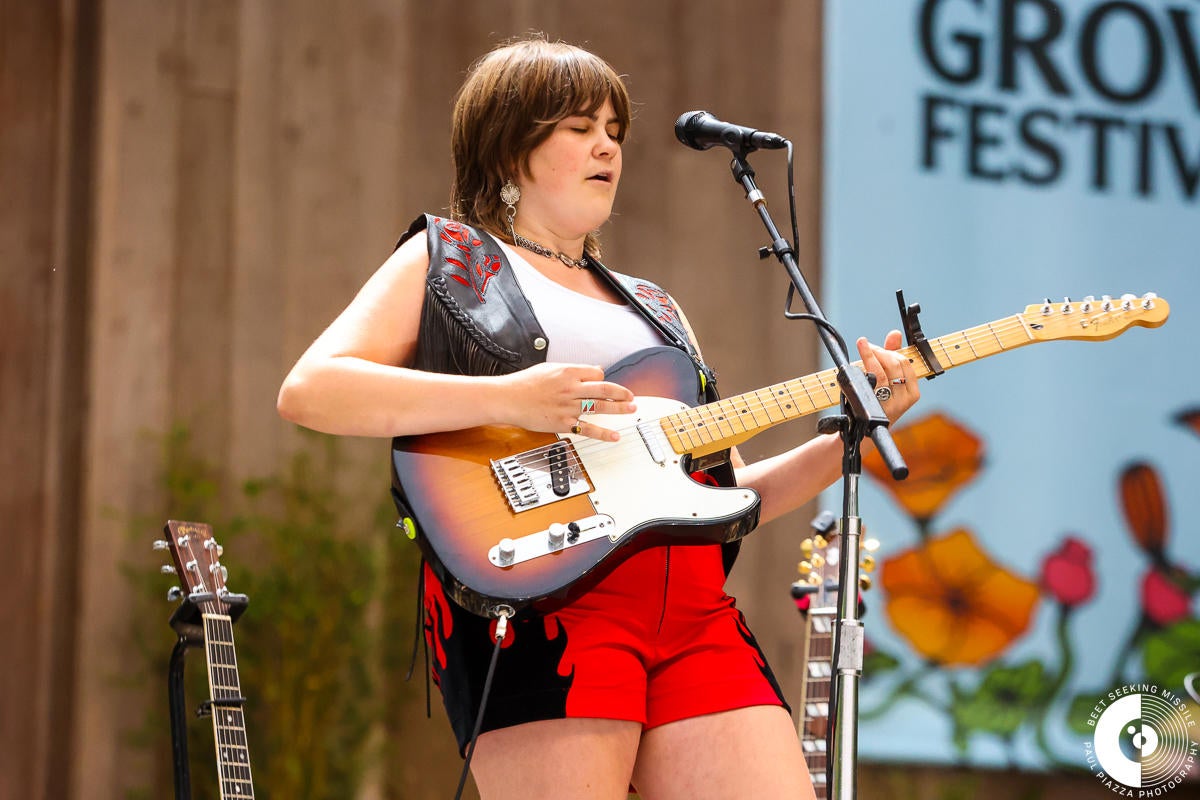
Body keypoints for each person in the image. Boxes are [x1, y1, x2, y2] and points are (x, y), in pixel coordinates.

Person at [277, 35, 919, 800]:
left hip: (693, 613)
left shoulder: (655, 308)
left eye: (615, 131)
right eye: (579, 127)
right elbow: (312, 389)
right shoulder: (449, 260)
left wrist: (854, 431)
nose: (606, 146)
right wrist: (512, 399)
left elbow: (738, 494)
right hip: (544, 601)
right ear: (511, 144)